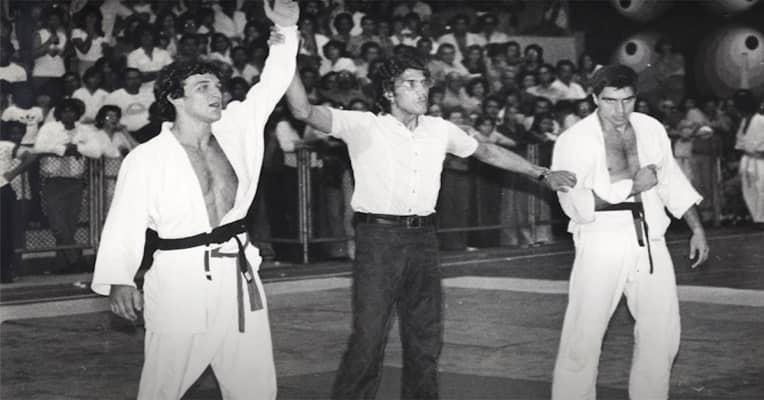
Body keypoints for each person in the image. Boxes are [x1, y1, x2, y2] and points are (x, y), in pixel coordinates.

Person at [284, 52, 577, 399]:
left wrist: (541, 173)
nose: (421, 90)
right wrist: (285, 49)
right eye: (410, 84)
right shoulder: (362, 125)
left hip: (423, 239)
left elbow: (487, 152)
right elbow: (302, 110)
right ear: (389, 92)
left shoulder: (440, 129)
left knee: (425, 338)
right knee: (368, 337)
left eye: (424, 83)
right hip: (379, 239)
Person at [89, 1, 299, 399]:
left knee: (255, 385)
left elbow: (272, 84)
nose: (217, 93)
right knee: (163, 386)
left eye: (218, 86)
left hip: (237, 270)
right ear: (175, 98)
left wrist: (287, 32)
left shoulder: (236, 128)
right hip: (180, 277)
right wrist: (120, 279)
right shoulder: (147, 158)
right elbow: (124, 222)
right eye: (203, 87)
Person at [550, 64, 710, 400]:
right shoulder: (574, 140)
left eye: (627, 100)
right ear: (595, 98)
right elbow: (575, 201)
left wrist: (696, 228)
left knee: (662, 331)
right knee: (584, 333)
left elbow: (671, 180)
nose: (620, 110)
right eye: (610, 101)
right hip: (601, 238)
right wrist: (631, 187)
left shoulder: (651, 129)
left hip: (649, 235)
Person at [733, 90, 764, 226]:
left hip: (760, 160)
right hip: (747, 160)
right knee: (749, 190)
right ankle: (757, 218)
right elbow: (739, 142)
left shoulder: (761, 120)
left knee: (761, 189)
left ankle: (761, 218)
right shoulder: (744, 121)